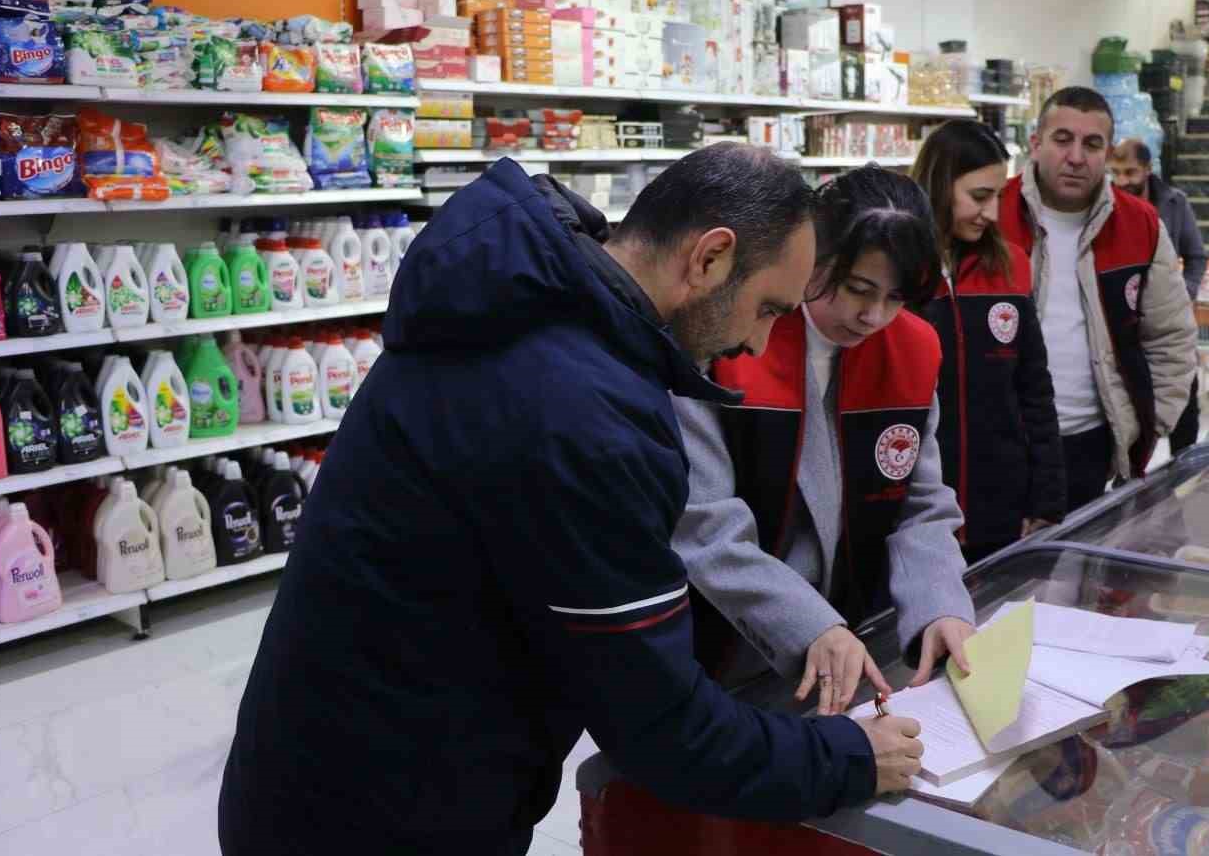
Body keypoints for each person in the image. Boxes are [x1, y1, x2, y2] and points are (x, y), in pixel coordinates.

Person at [219, 148, 925, 856]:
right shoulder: (584, 416)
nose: (757, 342)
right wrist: (849, 757)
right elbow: (663, 729)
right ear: (709, 258)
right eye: (768, 308)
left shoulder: (521, 311)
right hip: (381, 817)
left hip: (324, 769)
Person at [673, 166, 976, 717]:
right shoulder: (728, 334)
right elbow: (703, 521)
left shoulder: (911, 350)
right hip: (720, 643)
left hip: (851, 636)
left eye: (896, 297)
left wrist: (940, 607)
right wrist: (809, 624)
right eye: (858, 289)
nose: (873, 316)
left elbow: (921, 504)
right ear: (815, 253)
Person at [995, 86, 1197, 513]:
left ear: (1107, 152)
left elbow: (1171, 338)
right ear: (1036, 143)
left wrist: (1146, 428)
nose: (1076, 157)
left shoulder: (1141, 225)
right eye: (1062, 139)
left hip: (1090, 446)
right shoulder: (993, 215)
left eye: (1092, 144)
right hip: (1000, 442)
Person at [911, 120, 1067, 561]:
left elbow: (1034, 388)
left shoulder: (1010, 265)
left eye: (997, 196)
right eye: (979, 197)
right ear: (940, 185)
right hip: (916, 512)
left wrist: (1047, 497)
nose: (993, 213)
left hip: (1002, 507)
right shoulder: (898, 272)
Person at [1107, 138, 1207, 452]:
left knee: (1184, 393)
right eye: (1116, 173)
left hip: (1167, 317)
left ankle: (1184, 462)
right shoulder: (1106, 204)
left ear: (1148, 169)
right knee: (1129, 395)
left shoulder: (1175, 203)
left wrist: (1183, 294)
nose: (1122, 181)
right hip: (1123, 317)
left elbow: (1196, 256)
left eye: (1130, 172)